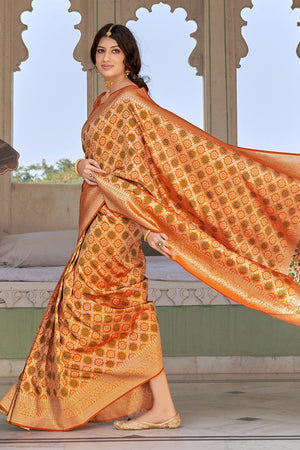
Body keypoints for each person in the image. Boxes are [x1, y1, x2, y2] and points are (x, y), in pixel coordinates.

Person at [0, 22, 299, 431]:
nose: (106, 58)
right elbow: (101, 163)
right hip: (101, 216)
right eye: (101, 50)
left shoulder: (131, 103)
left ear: (129, 58)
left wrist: (148, 224)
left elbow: (144, 172)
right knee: (112, 307)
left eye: (115, 52)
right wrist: (80, 165)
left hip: (117, 222)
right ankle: (158, 406)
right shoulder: (104, 102)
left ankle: (78, 403)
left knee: (88, 305)